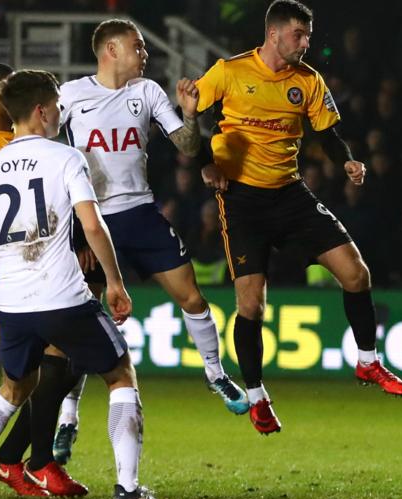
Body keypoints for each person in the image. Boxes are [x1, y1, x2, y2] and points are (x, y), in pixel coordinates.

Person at [0, 70, 168, 499]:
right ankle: (128, 491)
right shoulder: (65, 158)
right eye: (57, 104)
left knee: (13, 388)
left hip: (12, 305)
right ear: (41, 111)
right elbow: (93, 225)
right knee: (119, 374)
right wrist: (115, 282)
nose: (61, 111)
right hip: (63, 298)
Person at [193, 0, 402, 435]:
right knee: (251, 304)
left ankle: (368, 362)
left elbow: (327, 134)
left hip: (291, 195)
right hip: (241, 200)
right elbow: (188, 122)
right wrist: (206, 163)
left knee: (356, 273)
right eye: (299, 35)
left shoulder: (308, 80)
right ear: (273, 34)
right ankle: (257, 397)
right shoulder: (229, 71)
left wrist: (346, 161)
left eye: (308, 35)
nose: (306, 43)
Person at [51, 18, 250, 451]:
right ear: (111, 51)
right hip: (93, 221)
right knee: (83, 320)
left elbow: (186, 146)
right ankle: (67, 417)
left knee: (193, 298)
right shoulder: (70, 96)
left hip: (141, 215)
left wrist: (192, 115)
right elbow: (44, 151)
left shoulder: (148, 92)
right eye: (137, 47)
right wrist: (73, 230)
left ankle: (215, 374)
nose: (146, 54)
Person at [0, 61, 89, 498]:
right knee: (51, 363)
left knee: (55, 367)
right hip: (2, 270)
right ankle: (28, 461)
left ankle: (15, 461)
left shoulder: (3, 134)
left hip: (28, 262)